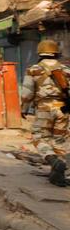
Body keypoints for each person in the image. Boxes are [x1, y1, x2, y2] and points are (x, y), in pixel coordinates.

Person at [20, 38, 70, 186]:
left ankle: (52, 159)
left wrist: (23, 109)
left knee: (39, 137)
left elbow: (27, 93)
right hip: (63, 109)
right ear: (56, 53)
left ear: (40, 53)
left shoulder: (34, 70)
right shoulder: (66, 70)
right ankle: (57, 174)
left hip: (44, 108)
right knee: (59, 140)